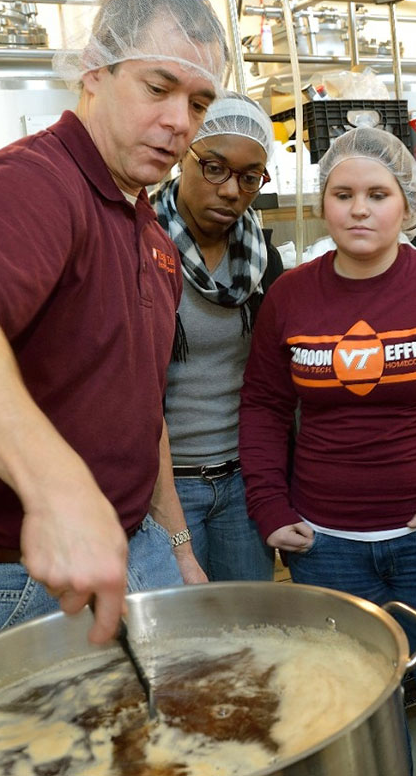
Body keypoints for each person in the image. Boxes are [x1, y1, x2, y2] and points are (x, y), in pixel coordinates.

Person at [0, 0, 229, 655]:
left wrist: (174, 540)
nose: (180, 122)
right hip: (25, 579)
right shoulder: (35, 182)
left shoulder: (147, 224)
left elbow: (139, 403)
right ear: (95, 70)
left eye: (199, 102)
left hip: (137, 547)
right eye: (158, 89)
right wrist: (58, 490)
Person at [239, 127, 416, 775]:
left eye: (377, 193)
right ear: (324, 202)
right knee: (357, 720)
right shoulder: (290, 296)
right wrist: (269, 503)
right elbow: (262, 404)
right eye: (343, 194)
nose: (359, 208)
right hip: (327, 551)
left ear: (406, 203)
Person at [152, 92, 281, 581]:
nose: (231, 191)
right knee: (182, 643)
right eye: (214, 168)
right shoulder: (140, 248)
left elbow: (271, 382)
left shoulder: (262, 260)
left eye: (250, 177)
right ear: (183, 158)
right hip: (165, 485)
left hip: (242, 481)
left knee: (247, 636)